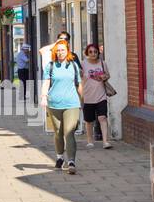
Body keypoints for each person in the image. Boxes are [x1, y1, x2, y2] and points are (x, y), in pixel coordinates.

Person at [42, 38, 83, 174]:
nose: (60, 52)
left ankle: (71, 162)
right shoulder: (50, 66)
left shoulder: (73, 66)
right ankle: (60, 157)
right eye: (58, 50)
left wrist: (82, 100)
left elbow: (79, 84)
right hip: (54, 104)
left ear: (67, 51)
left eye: (62, 50)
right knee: (58, 133)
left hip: (71, 103)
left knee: (69, 132)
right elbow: (46, 83)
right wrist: (43, 97)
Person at [81, 44, 113, 149]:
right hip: (88, 96)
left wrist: (104, 77)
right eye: (90, 52)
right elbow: (79, 77)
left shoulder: (102, 63)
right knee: (89, 120)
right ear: (87, 53)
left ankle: (105, 142)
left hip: (101, 95)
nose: (93, 54)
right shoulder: (83, 64)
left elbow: (108, 75)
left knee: (102, 117)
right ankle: (90, 141)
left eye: (95, 52)